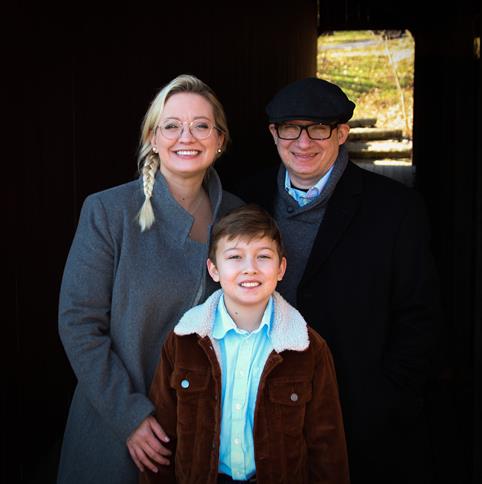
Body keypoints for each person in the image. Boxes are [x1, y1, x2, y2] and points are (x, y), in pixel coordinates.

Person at [228, 77, 441, 484]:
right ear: (273, 133)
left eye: (319, 128)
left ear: (342, 133)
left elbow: (420, 319)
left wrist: (384, 401)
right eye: (291, 128)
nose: (303, 142)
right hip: (259, 413)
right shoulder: (245, 199)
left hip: (357, 418)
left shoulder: (396, 209)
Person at [56, 74, 244, 484]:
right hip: (118, 428)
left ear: (220, 139)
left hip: (206, 433)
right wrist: (129, 416)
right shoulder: (109, 212)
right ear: (153, 139)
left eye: (201, 125)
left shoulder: (239, 217)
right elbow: (78, 323)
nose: (186, 137)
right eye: (171, 125)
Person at [140, 203, 350, 484]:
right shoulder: (185, 341)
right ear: (214, 269)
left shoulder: (308, 348)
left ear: (281, 268)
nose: (250, 269)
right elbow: (163, 438)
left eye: (263, 256)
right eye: (235, 257)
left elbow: (327, 448)